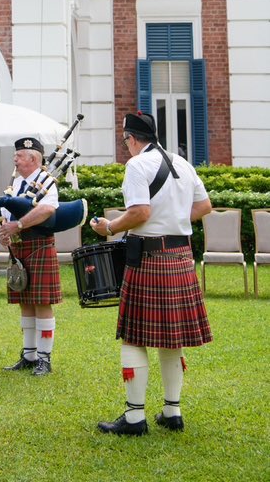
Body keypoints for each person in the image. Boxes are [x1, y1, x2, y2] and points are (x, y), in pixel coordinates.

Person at [90, 111, 212, 436]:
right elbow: (205, 206)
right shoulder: (181, 163)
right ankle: (172, 412)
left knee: (134, 337)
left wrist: (110, 227)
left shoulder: (136, 165)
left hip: (149, 258)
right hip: (180, 255)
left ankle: (134, 418)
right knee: (172, 338)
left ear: (131, 139)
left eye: (125, 140)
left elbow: (140, 211)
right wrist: (173, 218)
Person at [0, 137, 61, 377]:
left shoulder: (46, 182)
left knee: (42, 302)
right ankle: (29, 354)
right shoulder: (16, 183)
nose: (15, 159)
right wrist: (4, 229)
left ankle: (45, 359)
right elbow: (5, 212)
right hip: (19, 246)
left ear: (34, 158)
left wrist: (19, 224)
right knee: (24, 300)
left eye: (19, 155)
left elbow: (47, 209)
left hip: (39, 245)